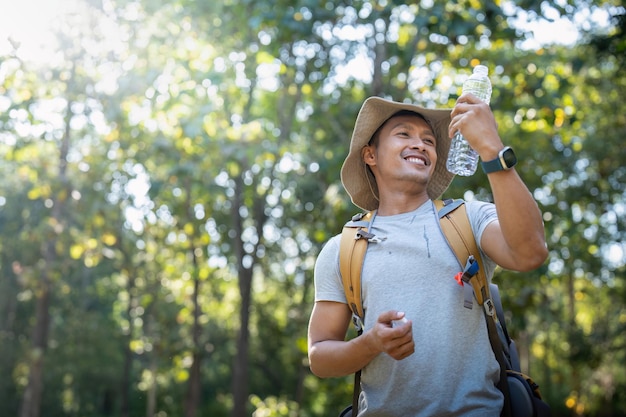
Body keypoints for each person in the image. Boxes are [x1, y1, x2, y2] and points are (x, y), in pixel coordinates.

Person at [307, 93, 548, 416]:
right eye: (404, 134)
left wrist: (492, 149)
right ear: (370, 155)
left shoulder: (469, 219)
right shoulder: (344, 248)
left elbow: (530, 253)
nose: (420, 145)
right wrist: (371, 344)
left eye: (429, 141)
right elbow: (320, 356)